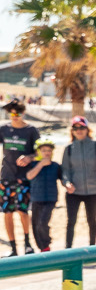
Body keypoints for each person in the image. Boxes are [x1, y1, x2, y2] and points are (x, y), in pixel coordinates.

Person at [59, 117, 96, 248]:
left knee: (91, 220)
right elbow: (65, 170)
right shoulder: (69, 149)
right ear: (72, 131)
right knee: (71, 221)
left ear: (87, 129)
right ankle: (68, 250)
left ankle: (92, 248)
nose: (79, 130)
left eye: (81, 127)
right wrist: (67, 183)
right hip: (74, 192)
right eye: (75, 128)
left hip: (93, 191)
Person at [0, 102, 39, 257]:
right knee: (7, 212)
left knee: (23, 211)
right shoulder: (4, 129)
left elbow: (40, 152)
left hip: (24, 177)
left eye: (17, 113)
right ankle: (13, 248)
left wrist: (29, 157)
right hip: (6, 177)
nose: (14, 116)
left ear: (23, 113)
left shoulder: (31, 130)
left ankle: (28, 245)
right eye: (12, 113)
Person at [23, 142, 58, 253]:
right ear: (38, 152)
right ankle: (43, 248)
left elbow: (64, 178)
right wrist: (41, 164)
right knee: (35, 226)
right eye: (44, 151)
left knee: (43, 222)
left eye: (49, 150)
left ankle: (46, 243)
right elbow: (29, 176)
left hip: (50, 199)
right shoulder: (33, 165)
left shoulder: (56, 166)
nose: (47, 153)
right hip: (36, 198)